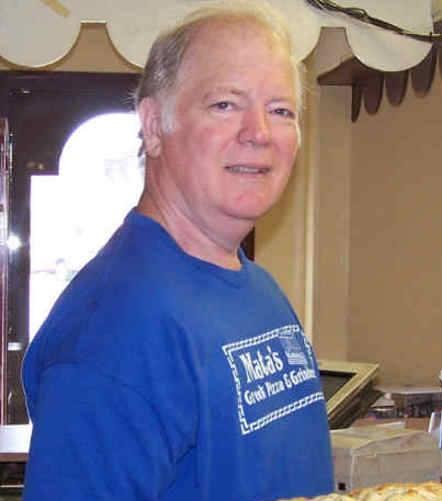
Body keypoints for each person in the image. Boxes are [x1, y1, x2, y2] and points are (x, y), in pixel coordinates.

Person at [22, 1, 334, 499]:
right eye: (225, 104)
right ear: (153, 125)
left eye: (280, 110)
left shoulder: (256, 287)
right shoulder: (114, 331)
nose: (259, 133)